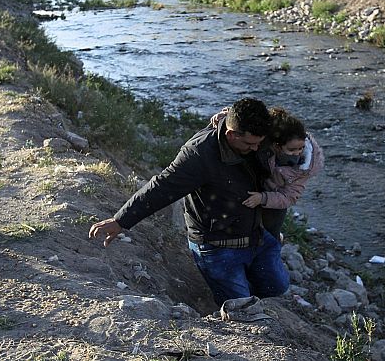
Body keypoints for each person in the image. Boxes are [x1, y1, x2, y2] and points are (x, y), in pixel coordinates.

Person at [89, 98, 290, 306]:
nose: (257, 149)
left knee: (276, 286)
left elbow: (300, 140)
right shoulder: (199, 154)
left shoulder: (257, 137)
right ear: (231, 134)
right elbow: (162, 187)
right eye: (250, 144)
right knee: (241, 307)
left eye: (260, 143)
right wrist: (121, 220)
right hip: (218, 248)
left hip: (255, 236)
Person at [239, 107, 324, 239]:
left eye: (300, 148)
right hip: (251, 184)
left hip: (275, 199)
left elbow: (289, 197)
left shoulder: (305, 168)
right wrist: (222, 117)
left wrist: (263, 198)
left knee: (269, 235)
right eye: (291, 150)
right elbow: (242, 121)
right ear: (276, 146)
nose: (297, 153)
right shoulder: (266, 137)